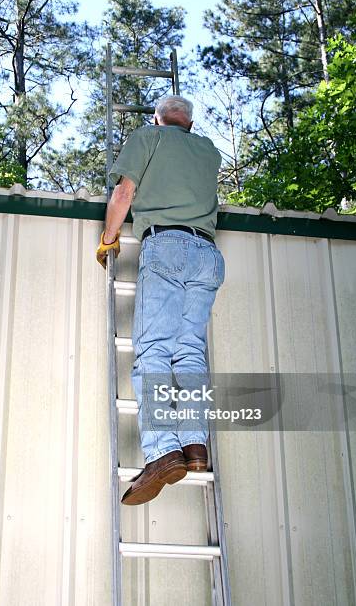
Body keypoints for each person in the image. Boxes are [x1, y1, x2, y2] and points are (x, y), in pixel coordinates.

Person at [96, 95, 225, 505]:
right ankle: (194, 444)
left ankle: (163, 452)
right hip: (208, 255)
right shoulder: (208, 151)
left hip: (167, 246)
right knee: (188, 354)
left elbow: (123, 195)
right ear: (189, 122)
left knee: (153, 352)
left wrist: (108, 238)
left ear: (158, 117)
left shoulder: (148, 136)